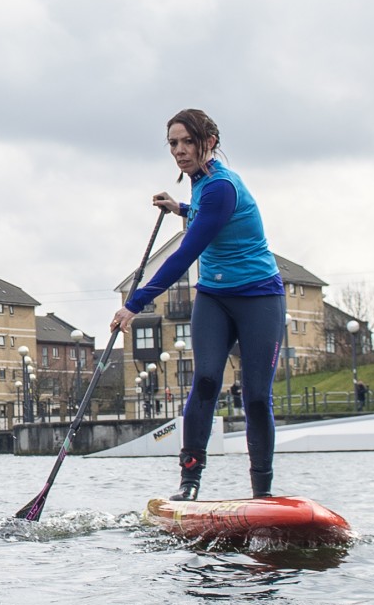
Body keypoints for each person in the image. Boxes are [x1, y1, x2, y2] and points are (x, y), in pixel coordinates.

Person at [112, 109, 284, 500]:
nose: (180, 150)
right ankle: (189, 483)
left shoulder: (222, 185)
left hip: (259, 297)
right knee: (205, 380)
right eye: (173, 143)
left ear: (209, 143)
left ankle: (262, 493)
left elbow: (187, 252)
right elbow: (207, 216)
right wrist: (181, 209)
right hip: (214, 298)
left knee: (257, 396)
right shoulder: (201, 186)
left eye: (188, 141)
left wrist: (135, 303)